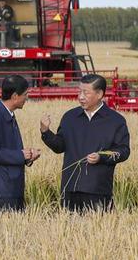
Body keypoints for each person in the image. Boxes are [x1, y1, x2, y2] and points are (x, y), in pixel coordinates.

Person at [40, 74, 130, 212]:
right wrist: (46, 132)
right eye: (79, 91)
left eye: (85, 92)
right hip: (70, 188)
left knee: (97, 231)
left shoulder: (115, 121)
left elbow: (123, 151)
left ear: (99, 94)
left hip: (98, 189)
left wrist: (101, 157)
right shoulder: (70, 117)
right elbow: (59, 147)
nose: (80, 97)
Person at [0, 75, 41, 215]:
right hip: (3, 190)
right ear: (15, 96)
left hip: (12, 187)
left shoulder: (7, 114)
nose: (27, 98)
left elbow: (7, 150)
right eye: (25, 94)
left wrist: (28, 157)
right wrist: (20, 155)